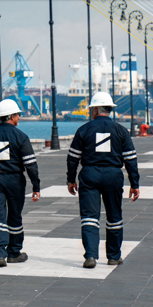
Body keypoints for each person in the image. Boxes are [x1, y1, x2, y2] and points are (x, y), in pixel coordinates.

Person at [67, 91, 139, 269]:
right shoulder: (121, 130)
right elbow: (131, 159)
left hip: (89, 175)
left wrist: (71, 180)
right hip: (113, 175)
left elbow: (72, 158)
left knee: (89, 218)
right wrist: (134, 184)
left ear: (95, 110)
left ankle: (91, 256)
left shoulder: (83, 130)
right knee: (114, 216)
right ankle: (113, 256)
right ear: (109, 109)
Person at [0, 99, 41, 267]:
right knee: (14, 215)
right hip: (15, 180)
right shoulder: (21, 137)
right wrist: (36, 186)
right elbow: (30, 164)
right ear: (11, 116)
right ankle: (14, 253)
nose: (19, 118)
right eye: (18, 115)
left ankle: (0, 254)